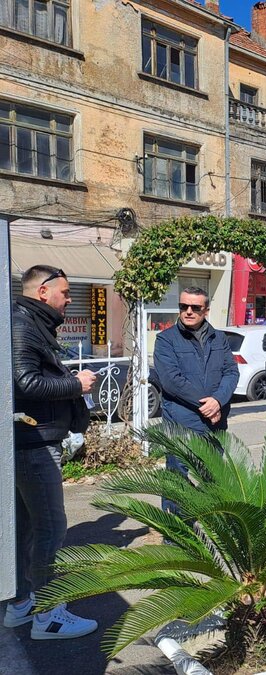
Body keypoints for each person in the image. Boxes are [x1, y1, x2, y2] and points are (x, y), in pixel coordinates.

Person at [8, 265, 98, 639]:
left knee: (26, 528)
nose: (69, 299)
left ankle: (21, 604)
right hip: (34, 444)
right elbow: (25, 382)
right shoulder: (23, 325)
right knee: (50, 527)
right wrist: (75, 384)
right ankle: (48, 615)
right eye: (65, 292)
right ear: (43, 292)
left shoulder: (29, 322)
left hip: (31, 441)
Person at [154, 287, 239, 512]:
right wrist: (208, 405)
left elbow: (231, 372)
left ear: (206, 310)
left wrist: (218, 401)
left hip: (214, 424)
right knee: (178, 482)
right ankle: (176, 528)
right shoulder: (166, 340)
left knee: (213, 480)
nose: (188, 311)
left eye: (195, 307)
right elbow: (172, 381)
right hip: (181, 424)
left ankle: (211, 526)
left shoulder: (219, 338)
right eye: (183, 306)